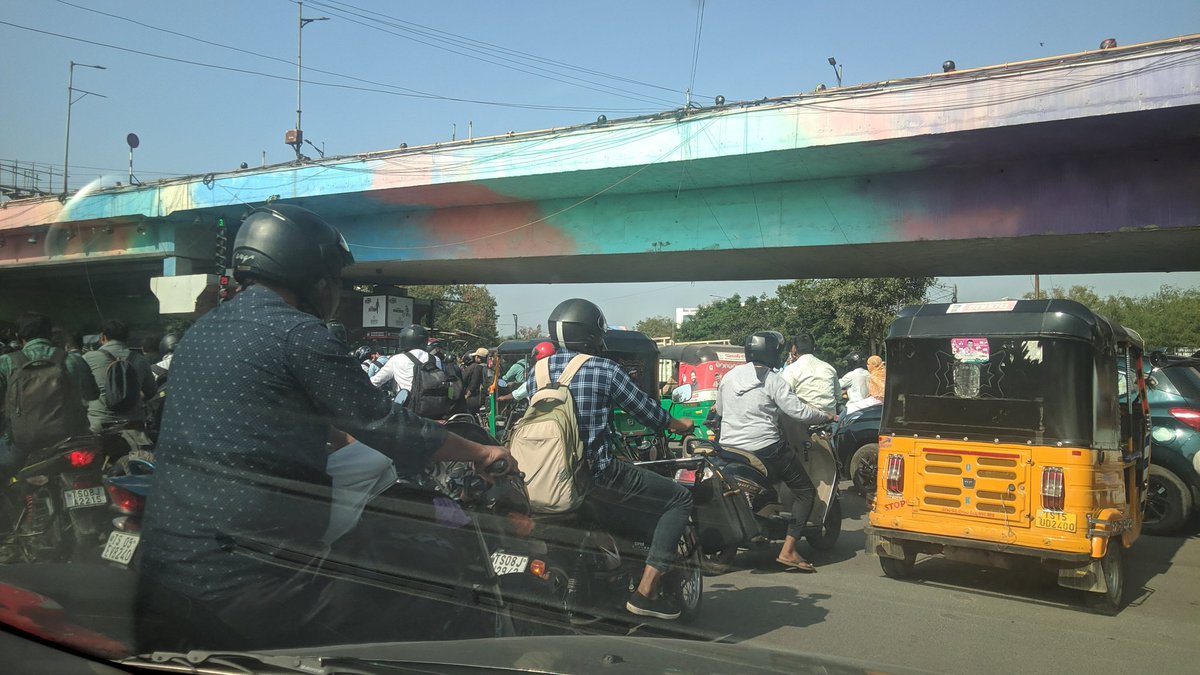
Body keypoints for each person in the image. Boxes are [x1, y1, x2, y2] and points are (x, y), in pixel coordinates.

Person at [135, 204, 514, 651]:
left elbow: (267, 418)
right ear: (313, 277)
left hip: (160, 571)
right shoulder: (299, 334)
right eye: (335, 280)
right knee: (432, 595)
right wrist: (484, 454)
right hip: (252, 580)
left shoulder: (204, 331)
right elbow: (384, 423)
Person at [527, 299, 695, 620]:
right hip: (596, 477)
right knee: (679, 500)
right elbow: (649, 414)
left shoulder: (538, 371)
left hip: (542, 481)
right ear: (592, 335)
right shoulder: (604, 369)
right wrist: (680, 424)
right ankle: (646, 593)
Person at [715, 331, 834, 573]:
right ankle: (789, 550)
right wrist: (825, 415)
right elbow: (799, 412)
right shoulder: (773, 380)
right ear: (772, 353)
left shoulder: (728, 377)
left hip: (728, 449)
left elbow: (719, 410)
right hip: (765, 449)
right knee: (805, 491)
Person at [0, 312, 99, 474]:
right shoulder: (74, 360)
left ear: (18, 336)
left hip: (21, 444)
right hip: (71, 441)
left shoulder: (6, 362)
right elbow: (92, 395)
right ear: (49, 333)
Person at [82, 319, 158, 434]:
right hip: (133, 425)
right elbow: (151, 391)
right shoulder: (140, 360)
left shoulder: (88, 358)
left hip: (99, 424)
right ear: (126, 338)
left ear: (102, 337)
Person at [369, 324, 439, 407]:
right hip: (437, 406)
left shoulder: (397, 359)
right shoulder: (436, 359)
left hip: (409, 408)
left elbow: (376, 381)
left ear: (405, 340)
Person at [779, 333, 839, 416]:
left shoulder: (791, 369)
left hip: (804, 421)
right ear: (814, 348)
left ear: (794, 349)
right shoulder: (829, 368)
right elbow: (838, 396)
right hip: (830, 420)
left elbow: (783, 397)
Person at [462, 347, 489, 411]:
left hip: (477, 398)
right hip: (487, 396)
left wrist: (466, 396)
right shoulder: (489, 367)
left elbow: (473, 385)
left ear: (478, 358)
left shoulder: (477, 367)